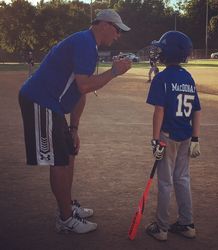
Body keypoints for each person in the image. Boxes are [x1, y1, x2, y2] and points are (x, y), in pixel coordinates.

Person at [18, 9, 131, 234]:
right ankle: (65, 218)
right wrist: (114, 72)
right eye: (117, 30)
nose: (118, 36)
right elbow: (85, 85)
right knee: (59, 160)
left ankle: (67, 206)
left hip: (53, 105)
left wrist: (74, 128)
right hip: (41, 100)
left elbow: (81, 93)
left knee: (68, 153)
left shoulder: (89, 45)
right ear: (105, 25)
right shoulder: (84, 42)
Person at [145, 31, 201, 241]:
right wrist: (196, 138)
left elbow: (159, 111)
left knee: (166, 182)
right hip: (186, 137)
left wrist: (155, 139)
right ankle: (187, 223)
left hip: (167, 136)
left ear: (168, 52)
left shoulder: (162, 78)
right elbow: (197, 110)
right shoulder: (188, 77)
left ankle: (161, 228)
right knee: (182, 179)